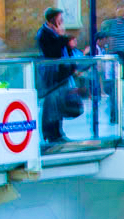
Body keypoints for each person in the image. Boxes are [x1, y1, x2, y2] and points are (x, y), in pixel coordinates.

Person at [36, 7, 74, 144]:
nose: (62, 22)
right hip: (51, 73)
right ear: (53, 20)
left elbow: (65, 50)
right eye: (60, 19)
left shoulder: (54, 34)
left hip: (60, 72)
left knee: (58, 103)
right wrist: (62, 37)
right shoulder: (44, 34)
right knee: (51, 103)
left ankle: (58, 132)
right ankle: (51, 133)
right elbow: (52, 52)